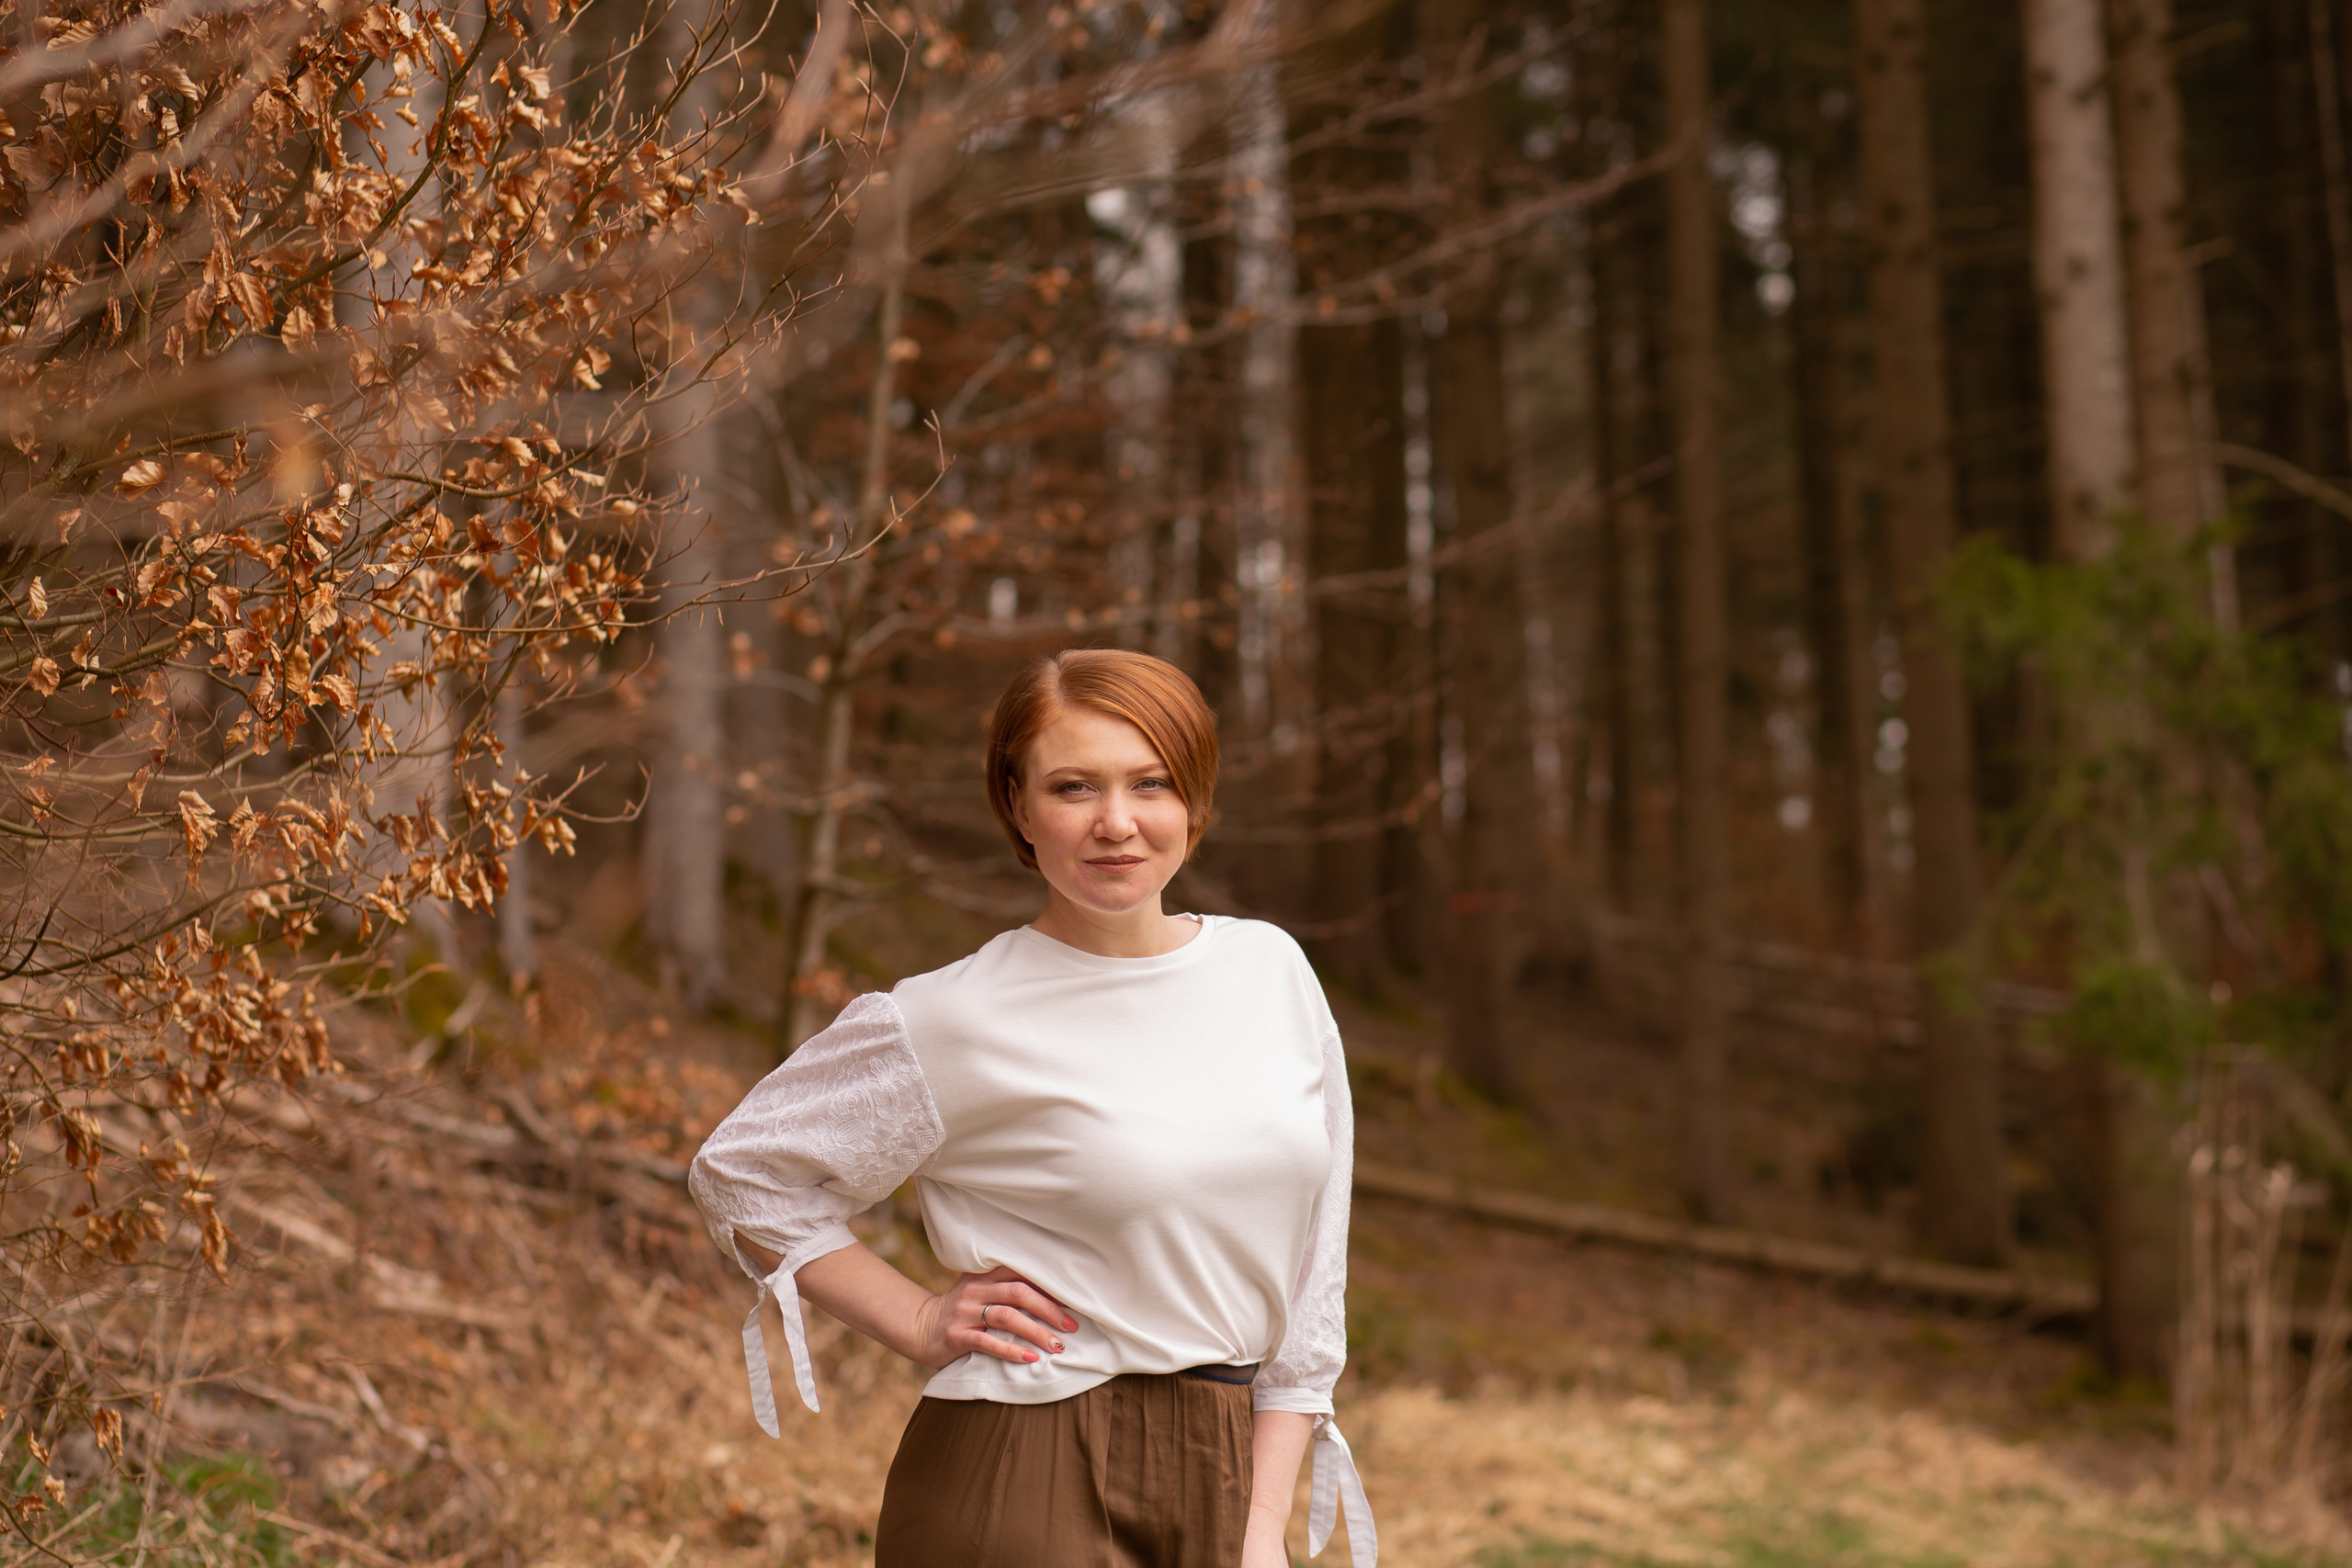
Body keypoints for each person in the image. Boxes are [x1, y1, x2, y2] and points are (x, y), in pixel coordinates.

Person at [689, 649, 1375, 1567]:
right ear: (1017, 805)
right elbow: (741, 1174)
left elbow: (1310, 1282)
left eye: (1151, 784)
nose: (1117, 823)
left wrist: (1259, 1527)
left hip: (1226, 1469)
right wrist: (914, 1318)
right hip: (1025, 1469)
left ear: (1195, 799)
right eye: (1073, 787)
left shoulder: (1272, 973)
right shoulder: (955, 1016)